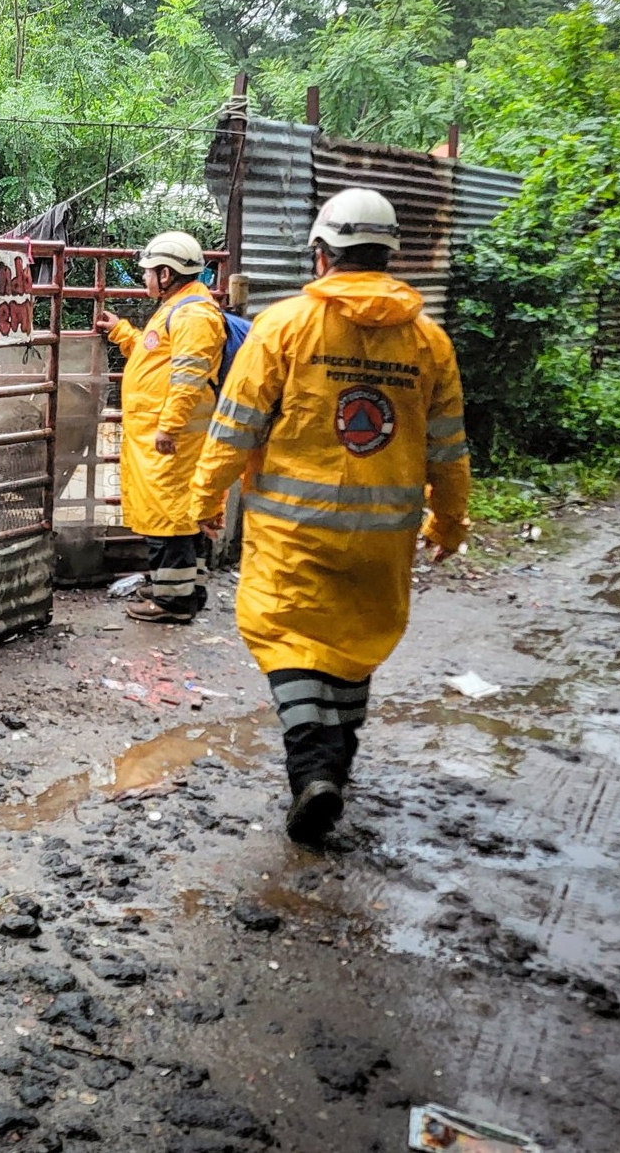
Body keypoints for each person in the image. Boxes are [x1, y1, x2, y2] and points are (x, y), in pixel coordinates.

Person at [189, 187, 470, 846]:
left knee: (286, 637)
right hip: (383, 543)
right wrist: (447, 524)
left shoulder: (282, 327)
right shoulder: (428, 342)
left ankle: (313, 769)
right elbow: (448, 450)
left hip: (293, 532)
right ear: (389, 255)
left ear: (320, 254)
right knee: (352, 645)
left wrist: (203, 500)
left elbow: (234, 426)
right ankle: (334, 767)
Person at [94, 231, 227, 625]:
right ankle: (182, 588)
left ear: (166, 273)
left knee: (170, 517)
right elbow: (154, 357)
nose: (146, 279)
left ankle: (173, 602)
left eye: (149, 272)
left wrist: (169, 427)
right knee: (175, 513)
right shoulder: (179, 310)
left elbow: (188, 377)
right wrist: (122, 331)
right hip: (163, 436)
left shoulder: (192, 315)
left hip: (172, 439)